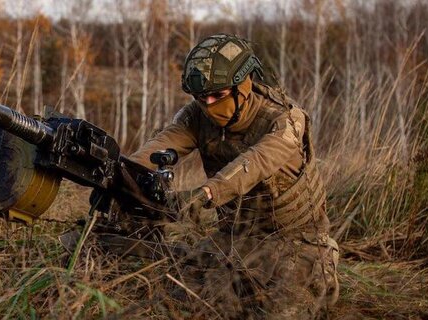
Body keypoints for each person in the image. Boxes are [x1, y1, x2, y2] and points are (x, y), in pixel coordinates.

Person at [128, 34, 340, 319]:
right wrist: (124, 173)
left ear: (244, 85)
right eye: (202, 98)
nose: (209, 104)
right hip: (234, 240)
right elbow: (163, 144)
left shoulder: (285, 121)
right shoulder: (197, 115)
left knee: (273, 312)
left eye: (218, 95)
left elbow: (257, 161)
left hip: (297, 244)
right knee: (175, 298)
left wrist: (206, 194)